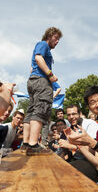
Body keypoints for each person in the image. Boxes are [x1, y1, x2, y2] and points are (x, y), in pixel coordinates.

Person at [22, 27, 63, 155]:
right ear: (49, 36)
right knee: (41, 109)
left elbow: (31, 68)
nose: (57, 42)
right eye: (56, 38)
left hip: (34, 80)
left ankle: (26, 143)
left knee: (32, 110)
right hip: (41, 81)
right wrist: (50, 75)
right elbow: (39, 59)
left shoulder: (41, 46)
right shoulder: (43, 44)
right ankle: (33, 144)